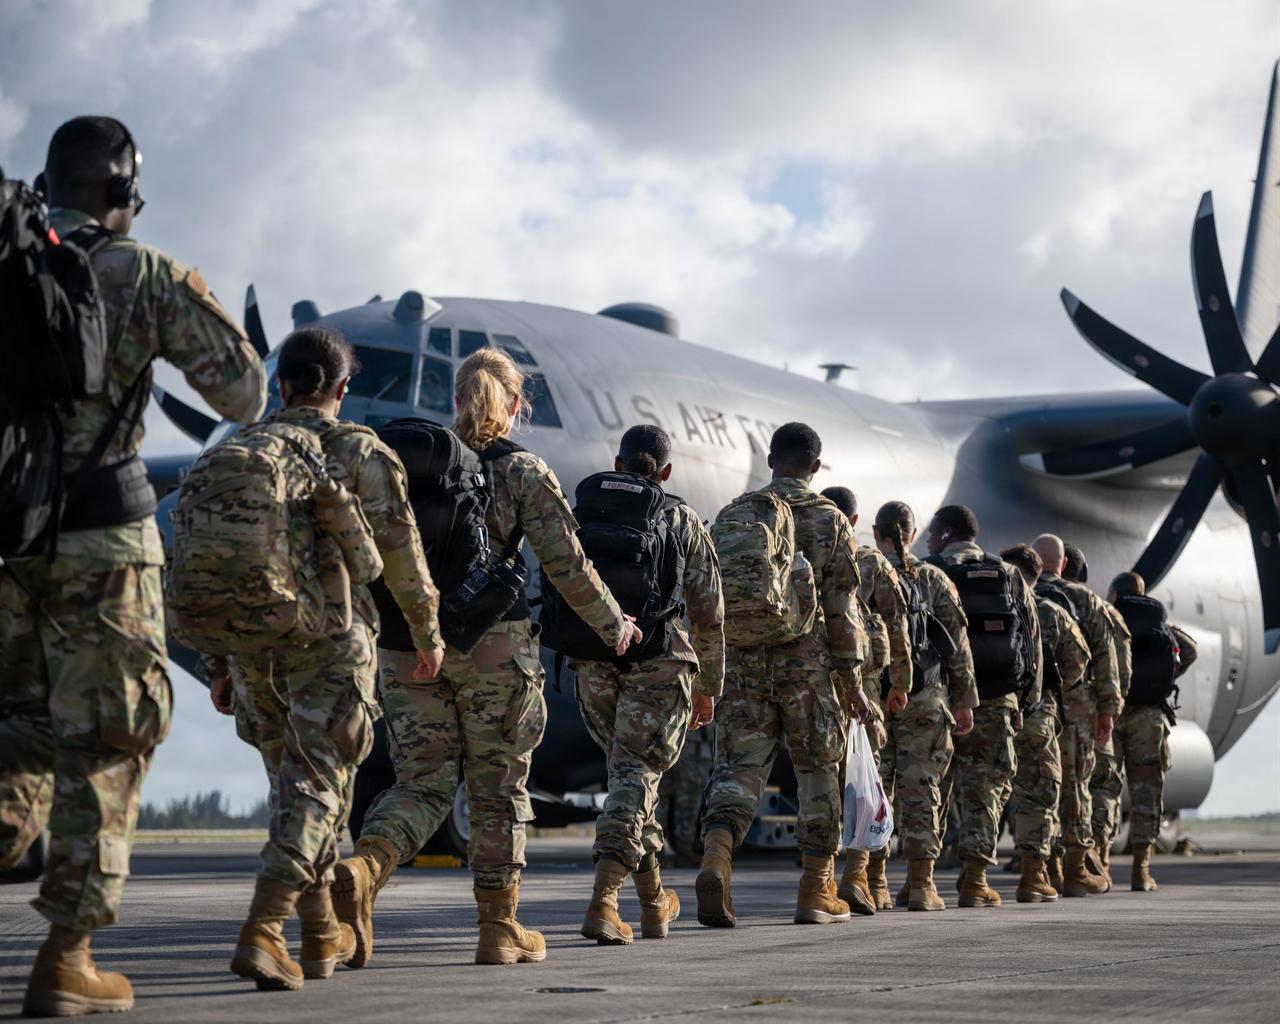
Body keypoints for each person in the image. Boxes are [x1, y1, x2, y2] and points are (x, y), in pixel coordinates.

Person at [0, 115, 266, 1016]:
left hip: (6, 539)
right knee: (109, 739)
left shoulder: (6, 261)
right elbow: (242, 389)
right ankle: (66, 958)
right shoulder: (139, 270)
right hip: (103, 546)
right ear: (121, 194)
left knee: (16, 728)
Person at [338, 348, 640, 966]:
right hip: (495, 651)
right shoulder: (524, 471)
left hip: (408, 650)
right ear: (516, 404)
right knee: (498, 792)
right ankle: (498, 928)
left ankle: (365, 870)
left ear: (455, 399)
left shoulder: (408, 466)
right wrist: (616, 626)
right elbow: (566, 564)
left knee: (420, 783)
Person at [197, 328, 445, 991]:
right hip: (329, 647)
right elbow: (402, 557)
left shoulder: (243, 449)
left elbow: (219, 559)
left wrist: (218, 662)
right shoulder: (361, 450)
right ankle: (265, 928)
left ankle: (317, 937)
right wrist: (427, 634)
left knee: (298, 795)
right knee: (315, 795)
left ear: (280, 385)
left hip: (252, 651)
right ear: (342, 388)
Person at [697, 423, 870, 928]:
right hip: (808, 670)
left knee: (737, 769)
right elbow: (842, 608)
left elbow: (710, 600)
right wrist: (852, 681)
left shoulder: (737, 512)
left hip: (746, 663)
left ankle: (716, 858)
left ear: (771, 459)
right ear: (817, 467)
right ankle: (817, 889)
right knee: (818, 770)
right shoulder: (829, 519)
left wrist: (710, 675)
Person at [568, 425, 725, 944]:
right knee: (636, 775)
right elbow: (709, 614)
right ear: (665, 470)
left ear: (617, 463)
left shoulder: (586, 508)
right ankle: (604, 899)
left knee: (631, 781)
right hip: (660, 664)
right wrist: (709, 685)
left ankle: (655, 902)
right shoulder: (680, 517)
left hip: (594, 660)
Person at [926, 504, 1041, 908]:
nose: (927, 539)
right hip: (996, 700)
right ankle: (974, 881)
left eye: (932, 532)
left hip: (937, 697)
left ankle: (918, 881)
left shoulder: (929, 571)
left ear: (945, 534)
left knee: (929, 788)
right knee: (986, 790)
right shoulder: (1008, 574)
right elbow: (1031, 642)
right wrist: (1026, 698)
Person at [871, 501, 976, 912]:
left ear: (876, 531)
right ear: (913, 534)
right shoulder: (933, 577)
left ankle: (873, 881)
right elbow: (957, 646)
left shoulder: (864, 570)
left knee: (872, 788)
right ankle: (920, 886)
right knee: (921, 791)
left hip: (873, 699)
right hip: (926, 697)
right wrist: (965, 701)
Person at [820, 486, 913, 915]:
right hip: (863, 689)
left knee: (822, 782)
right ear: (854, 522)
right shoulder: (872, 562)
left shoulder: (799, 556)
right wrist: (902, 683)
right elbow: (897, 627)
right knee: (866, 782)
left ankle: (819, 881)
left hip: (811, 686)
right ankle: (859, 876)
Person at [1097, 572, 1197, 892]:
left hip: (1110, 714)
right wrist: (1169, 672)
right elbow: (1190, 649)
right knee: (1146, 793)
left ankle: (1100, 863)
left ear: (1114, 593)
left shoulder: (1107, 618)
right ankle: (1141, 871)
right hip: (1149, 718)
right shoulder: (1159, 622)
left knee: (1104, 787)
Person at [1002, 544, 1089, 903]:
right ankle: (1033, 876)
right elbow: (1078, 661)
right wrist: (1052, 688)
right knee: (1039, 793)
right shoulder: (1050, 611)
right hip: (1038, 715)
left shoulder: (986, 604)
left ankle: (969, 877)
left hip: (989, 713)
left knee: (984, 794)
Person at [1032, 535, 1118, 896]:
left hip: (1036, 704)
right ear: (1064, 563)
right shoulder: (1086, 599)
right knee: (1076, 786)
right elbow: (1105, 657)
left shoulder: (1023, 593)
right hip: (1079, 706)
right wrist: (1109, 709)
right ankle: (1076, 868)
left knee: (1041, 783)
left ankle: (1045, 866)